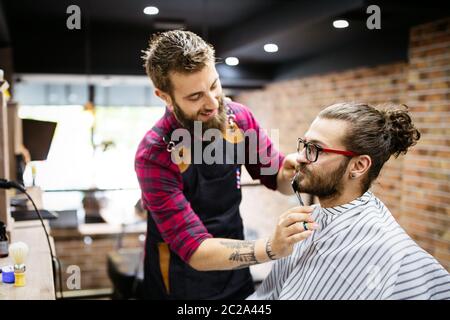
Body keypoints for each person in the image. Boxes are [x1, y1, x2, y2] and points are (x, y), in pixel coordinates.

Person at [135, 30, 315, 299]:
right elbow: (195, 250)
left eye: (214, 85)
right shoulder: (155, 155)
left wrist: (289, 173)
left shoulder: (239, 118)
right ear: (164, 97)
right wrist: (270, 248)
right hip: (180, 279)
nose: (212, 102)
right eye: (195, 97)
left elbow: (277, 178)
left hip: (236, 266)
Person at [248, 102, 450, 300]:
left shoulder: (392, 252)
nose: (299, 157)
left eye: (316, 149)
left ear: (359, 166)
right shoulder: (309, 219)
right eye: (304, 144)